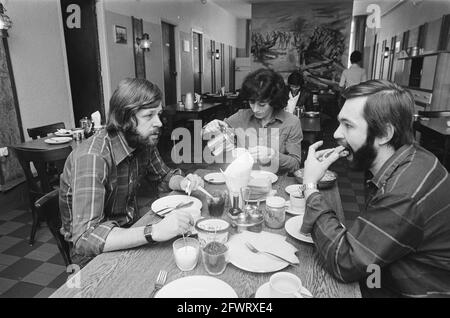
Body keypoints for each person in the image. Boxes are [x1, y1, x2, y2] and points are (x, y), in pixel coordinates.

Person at [301, 80, 450, 297]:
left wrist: (310, 187)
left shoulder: (403, 194)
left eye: (348, 125)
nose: (335, 134)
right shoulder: (411, 158)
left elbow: (345, 261)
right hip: (382, 272)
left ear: (384, 134)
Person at [59, 78, 204, 266]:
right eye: (149, 115)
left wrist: (183, 182)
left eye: (158, 115)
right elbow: (86, 239)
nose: (159, 123)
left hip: (131, 229)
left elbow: (164, 176)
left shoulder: (141, 141)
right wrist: (154, 231)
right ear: (124, 118)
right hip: (93, 256)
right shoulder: (93, 157)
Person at [202, 68, 302, 173]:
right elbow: (212, 136)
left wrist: (273, 155)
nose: (255, 109)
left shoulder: (292, 122)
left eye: (262, 105)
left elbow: (295, 164)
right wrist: (209, 128)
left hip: (275, 182)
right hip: (243, 179)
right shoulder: (241, 116)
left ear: (274, 101)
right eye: (252, 102)